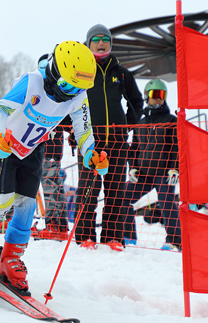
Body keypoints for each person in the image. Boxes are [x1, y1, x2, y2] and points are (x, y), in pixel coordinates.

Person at [0, 40, 106, 294]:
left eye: (77, 88)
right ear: (56, 72)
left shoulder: (77, 94)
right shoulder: (32, 82)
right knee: (2, 200)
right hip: (6, 145)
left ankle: (9, 259)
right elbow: (1, 109)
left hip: (33, 148)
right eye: (66, 85)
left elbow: (83, 127)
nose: (70, 92)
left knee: (27, 204)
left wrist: (90, 152)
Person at [75, 24, 142, 249]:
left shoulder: (121, 73)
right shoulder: (81, 71)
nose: (101, 43)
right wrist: (73, 132)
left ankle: (112, 237)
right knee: (88, 190)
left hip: (116, 140)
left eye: (105, 39)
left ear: (110, 44)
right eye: (96, 39)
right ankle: (84, 236)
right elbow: (68, 102)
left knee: (115, 190)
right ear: (88, 43)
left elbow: (136, 102)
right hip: (89, 141)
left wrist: (129, 126)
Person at [122, 79, 182, 250]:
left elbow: (176, 146)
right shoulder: (141, 122)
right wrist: (132, 167)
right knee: (123, 198)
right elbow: (134, 147)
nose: (158, 99)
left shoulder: (171, 120)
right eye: (154, 95)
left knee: (166, 201)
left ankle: (175, 241)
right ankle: (128, 237)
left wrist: (174, 169)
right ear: (147, 96)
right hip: (144, 173)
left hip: (164, 173)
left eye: (161, 95)